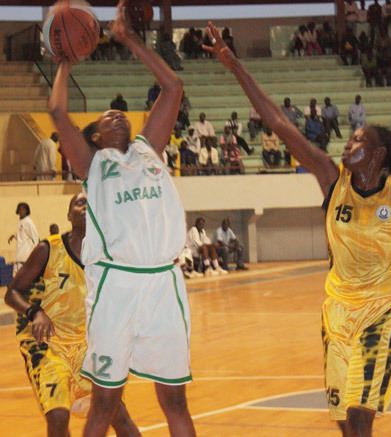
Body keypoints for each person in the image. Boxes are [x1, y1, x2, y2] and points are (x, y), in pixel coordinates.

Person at [203, 22, 391, 436]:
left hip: (384, 312)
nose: (347, 146)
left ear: (379, 153)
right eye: (349, 140)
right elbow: (280, 124)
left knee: (358, 416)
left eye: (357, 141)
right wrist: (234, 65)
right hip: (337, 312)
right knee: (344, 423)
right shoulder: (331, 180)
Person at [48, 3, 196, 436]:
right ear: (94, 136)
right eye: (108, 116)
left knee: (175, 399)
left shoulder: (150, 149)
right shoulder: (92, 164)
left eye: (121, 113)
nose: (118, 113)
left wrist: (127, 38)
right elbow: (58, 112)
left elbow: (172, 87)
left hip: (164, 283)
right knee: (105, 403)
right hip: (116, 286)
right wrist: (64, 61)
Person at [4, 193, 140, 437]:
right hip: (47, 343)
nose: (86, 206)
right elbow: (12, 292)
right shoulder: (48, 249)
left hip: (86, 346)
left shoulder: (109, 257)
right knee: (58, 416)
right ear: (68, 215)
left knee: (117, 413)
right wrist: (35, 312)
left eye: (91, 203)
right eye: (79, 202)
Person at [8, 202, 39, 274]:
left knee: (20, 274)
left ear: (27, 211)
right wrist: (14, 235)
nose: (21, 211)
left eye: (23, 209)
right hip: (20, 253)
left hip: (25, 254)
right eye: (20, 209)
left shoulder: (28, 222)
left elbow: (36, 237)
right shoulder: (21, 222)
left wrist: (36, 253)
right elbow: (22, 234)